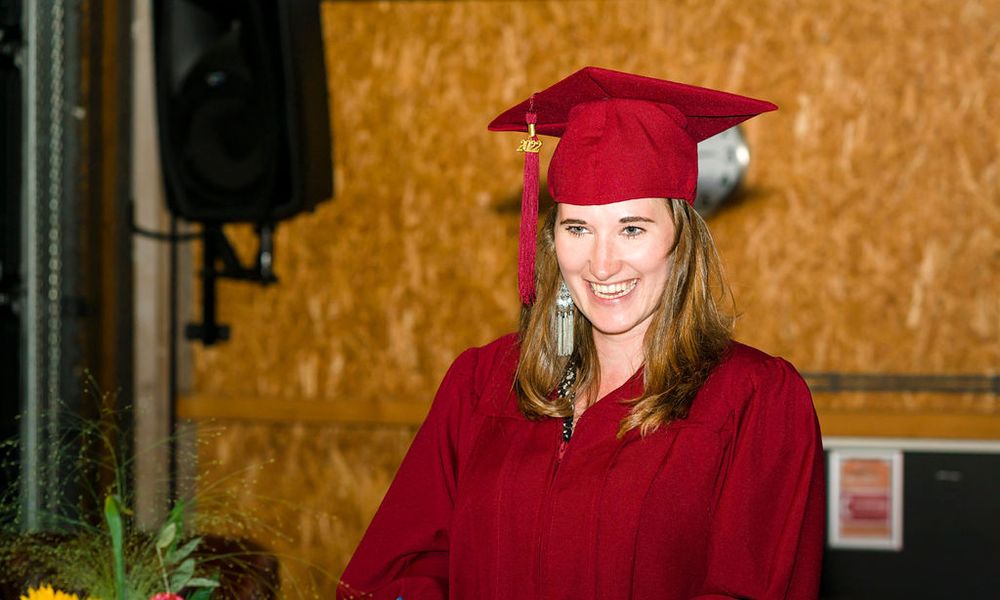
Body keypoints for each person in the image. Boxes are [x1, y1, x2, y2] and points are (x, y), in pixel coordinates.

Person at [338, 66, 825, 600]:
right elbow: (398, 569)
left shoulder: (754, 401)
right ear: (552, 239)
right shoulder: (484, 383)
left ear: (680, 241)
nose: (601, 263)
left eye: (631, 229)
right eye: (577, 228)